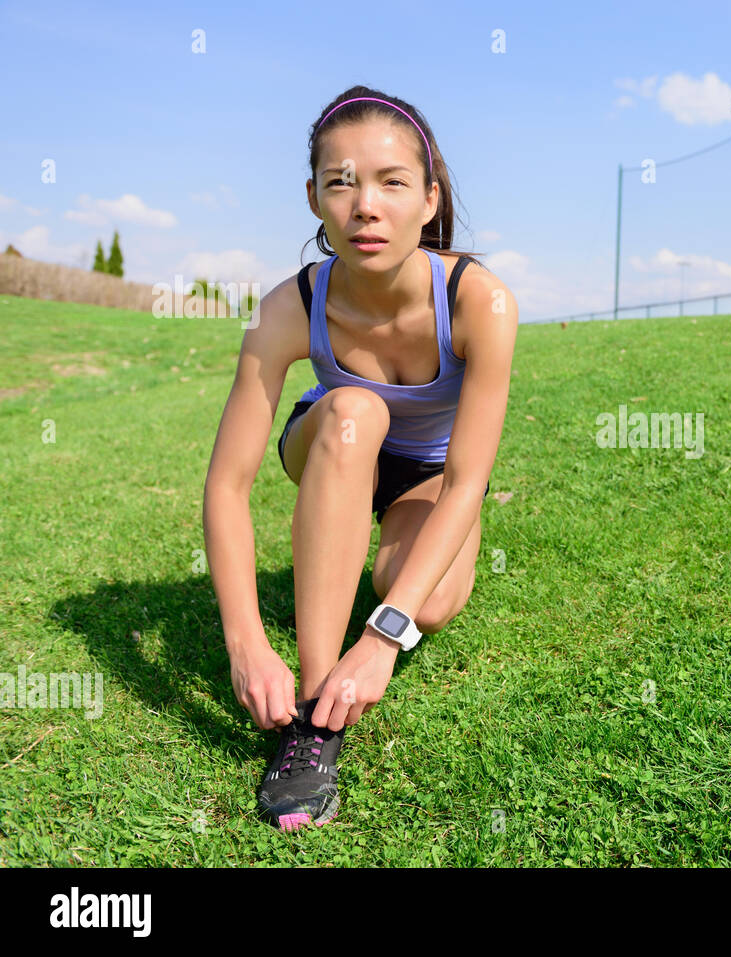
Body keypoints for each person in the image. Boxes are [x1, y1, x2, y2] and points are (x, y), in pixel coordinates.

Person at [201, 86, 519, 831]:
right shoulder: (287, 307)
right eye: (341, 182)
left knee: (425, 603)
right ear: (313, 196)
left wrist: (381, 638)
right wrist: (245, 640)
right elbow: (227, 484)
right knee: (354, 409)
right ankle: (315, 721)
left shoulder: (481, 302)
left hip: (429, 473)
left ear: (429, 197)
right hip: (332, 439)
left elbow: (470, 480)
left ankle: (359, 585)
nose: (365, 205)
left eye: (391, 182)